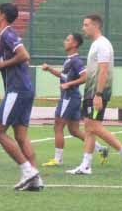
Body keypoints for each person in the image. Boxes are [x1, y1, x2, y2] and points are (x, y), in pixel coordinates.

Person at [68, 14, 122, 176]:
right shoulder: (96, 44)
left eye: (86, 25)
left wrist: (98, 94)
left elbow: (104, 69)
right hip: (91, 92)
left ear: (95, 26)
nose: (83, 28)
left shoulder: (103, 44)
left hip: (97, 92)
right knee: (89, 128)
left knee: (93, 126)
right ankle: (86, 165)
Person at [0, 3, 41, 192]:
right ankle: (36, 179)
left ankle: (27, 171)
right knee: (21, 136)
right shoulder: (8, 35)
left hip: (17, 90)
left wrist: (0, 65)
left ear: (1, 15)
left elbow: (24, 55)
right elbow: (20, 59)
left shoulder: (7, 33)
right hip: (24, 88)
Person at [41, 32, 88, 167]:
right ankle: (100, 149)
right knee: (74, 130)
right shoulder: (69, 60)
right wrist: (50, 69)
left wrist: (69, 85)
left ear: (74, 44)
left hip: (69, 97)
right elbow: (65, 77)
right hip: (72, 98)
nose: (64, 42)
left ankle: (58, 159)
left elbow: (85, 77)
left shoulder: (76, 61)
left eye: (67, 40)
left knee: (58, 127)